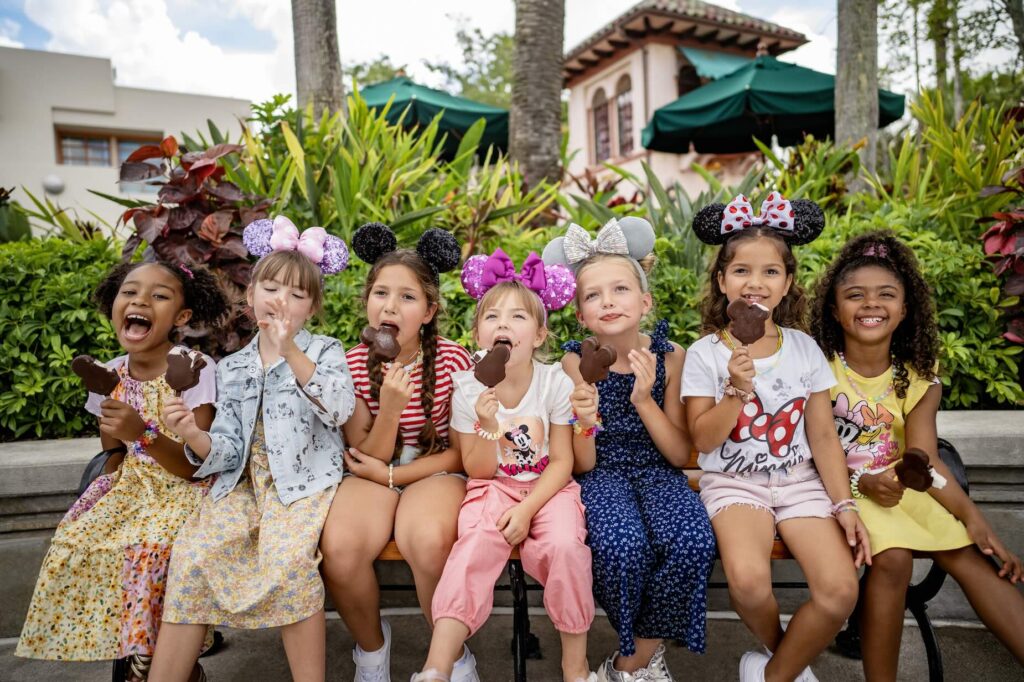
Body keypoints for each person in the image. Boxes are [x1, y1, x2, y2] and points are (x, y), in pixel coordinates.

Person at [148, 216, 356, 682]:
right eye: (272, 288)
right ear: (251, 294)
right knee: (194, 552)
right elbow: (226, 448)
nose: (282, 300)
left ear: (311, 308)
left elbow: (340, 409)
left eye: (297, 294)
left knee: (288, 562)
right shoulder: (233, 366)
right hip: (241, 484)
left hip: (302, 485)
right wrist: (193, 435)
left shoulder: (324, 350)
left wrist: (290, 353)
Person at [811, 230, 1024, 679]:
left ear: (905, 310)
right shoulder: (817, 369)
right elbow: (811, 450)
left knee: (969, 553)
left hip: (901, 488)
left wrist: (973, 518)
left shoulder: (919, 377)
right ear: (835, 308)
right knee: (893, 558)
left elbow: (924, 457)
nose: (871, 304)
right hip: (837, 491)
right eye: (855, 295)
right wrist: (859, 483)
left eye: (886, 295)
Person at [681, 194, 871, 682]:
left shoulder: (804, 348)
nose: (755, 283)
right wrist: (735, 393)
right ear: (721, 281)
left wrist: (844, 505)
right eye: (741, 271)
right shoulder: (705, 354)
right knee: (746, 582)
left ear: (787, 284)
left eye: (770, 272)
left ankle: (772, 674)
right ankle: (781, 656)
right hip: (733, 484)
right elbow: (702, 441)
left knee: (839, 591)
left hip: (800, 482)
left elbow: (824, 435)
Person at [17, 260, 227, 681]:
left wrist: (142, 432)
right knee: (80, 537)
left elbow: (196, 465)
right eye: (129, 292)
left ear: (181, 318)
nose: (140, 300)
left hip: (186, 488)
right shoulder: (110, 373)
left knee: (153, 547)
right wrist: (108, 488)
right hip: (134, 484)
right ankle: (132, 644)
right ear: (114, 304)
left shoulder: (194, 369)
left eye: (159, 296)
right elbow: (113, 452)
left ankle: (156, 660)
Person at [411, 249, 596, 682]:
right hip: (491, 489)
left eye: (518, 318)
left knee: (567, 549)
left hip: (550, 489)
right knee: (473, 544)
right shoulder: (466, 387)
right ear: (478, 334)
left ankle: (576, 666)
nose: (504, 325)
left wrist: (528, 510)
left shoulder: (554, 381)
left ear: (540, 335)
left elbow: (564, 461)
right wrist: (487, 422)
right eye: (492, 317)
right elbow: (476, 470)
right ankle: (436, 666)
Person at [544, 218, 716, 681]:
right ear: (580, 314)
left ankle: (629, 663)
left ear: (645, 302)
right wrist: (585, 420)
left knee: (692, 540)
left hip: (660, 472)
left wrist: (643, 400)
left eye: (620, 289)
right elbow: (584, 464)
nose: (608, 301)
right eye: (593, 295)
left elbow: (681, 454)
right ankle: (644, 658)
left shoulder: (671, 357)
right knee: (623, 548)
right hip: (601, 475)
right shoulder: (574, 362)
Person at [320, 222, 479, 682]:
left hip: (433, 472)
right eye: (381, 294)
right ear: (367, 301)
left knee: (428, 541)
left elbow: (460, 456)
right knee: (342, 548)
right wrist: (390, 411)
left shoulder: (454, 360)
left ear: (429, 311)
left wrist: (394, 478)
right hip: (370, 471)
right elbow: (361, 452)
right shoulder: (348, 364)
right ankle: (372, 651)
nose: (390, 306)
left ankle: (448, 656)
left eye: (407, 297)